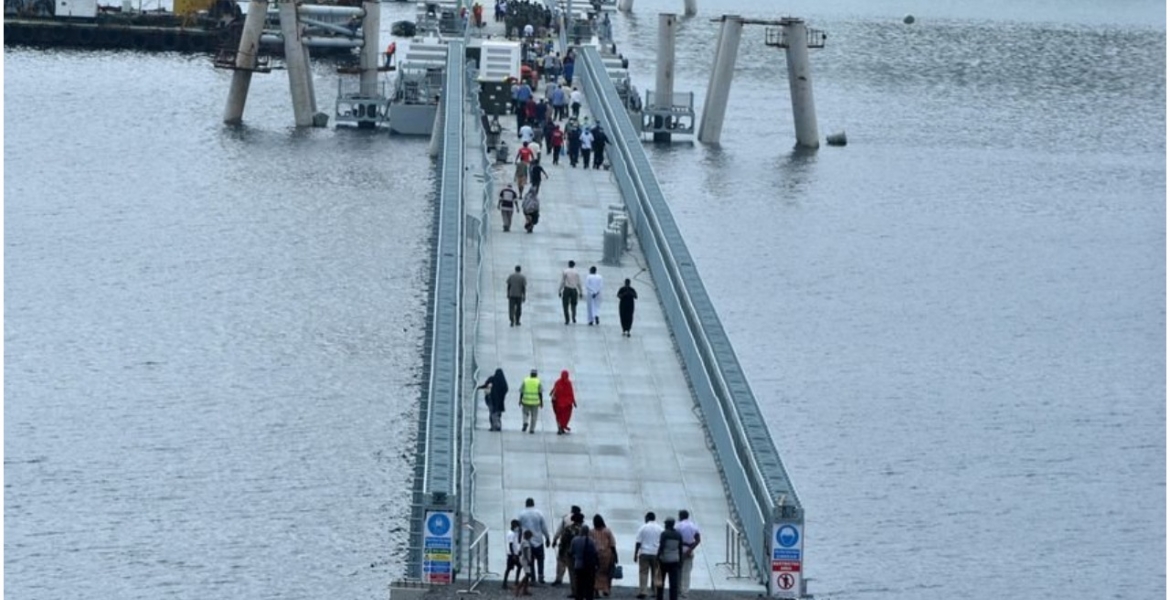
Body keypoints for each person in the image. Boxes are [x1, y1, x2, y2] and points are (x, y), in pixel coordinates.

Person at [518, 498, 552, 582]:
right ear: (533, 504)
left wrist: (519, 540)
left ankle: (532, 577)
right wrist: (547, 538)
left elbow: (519, 528)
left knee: (530, 559)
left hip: (527, 541)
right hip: (538, 540)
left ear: (526, 504)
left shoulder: (522, 514)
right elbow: (543, 527)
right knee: (540, 559)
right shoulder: (539, 513)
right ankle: (541, 576)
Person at [634, 512, 664, 599]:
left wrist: (635, 553)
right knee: (656, 572)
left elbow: (638, 542)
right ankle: (655, 592)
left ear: (647, 518)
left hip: (644, 553)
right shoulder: (660, 528)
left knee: (643, 572)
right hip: (656, 553)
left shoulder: (643, 528)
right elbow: (662, 542)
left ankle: (643, 591)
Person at [553, 508, 585, 590]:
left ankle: (559, 579)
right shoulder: (584, 529)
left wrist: (555, 540)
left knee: (561, 563)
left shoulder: (567, 524)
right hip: (579, 552)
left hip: (567, 549)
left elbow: (560, 532)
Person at [591, 514, 618, 597]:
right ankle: (606, 589)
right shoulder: (607, 531)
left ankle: (596, 590)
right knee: (607, 573)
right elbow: (612, 544)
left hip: (595, 555)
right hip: (607, 555)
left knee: (595, 573)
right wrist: (615, 556)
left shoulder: (591, 531)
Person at [656, 518, 683, 600]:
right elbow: (680, 549)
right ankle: (673, 598)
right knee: (673, 583)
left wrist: (657, 557)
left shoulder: (664, 534)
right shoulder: (678, 535)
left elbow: (662, 546)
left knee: (660, 581)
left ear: (667, 524)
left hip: (664, 560)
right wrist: (680, 561)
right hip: (675, 560)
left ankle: (660, 597)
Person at [676, 510, 701, 596]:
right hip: (689, 549)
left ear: (680, 516)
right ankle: (685, 591)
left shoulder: (678, 526)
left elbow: (675, 538)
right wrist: (690, 549)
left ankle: (678, 589)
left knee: (678, 571)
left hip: (679, 550)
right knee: (687, 572)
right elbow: (698, 540)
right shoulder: (693, 526)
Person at [570, 524, 599, 600]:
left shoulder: (574, 540)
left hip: (578, 565)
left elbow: (571, 552)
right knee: (589, 585)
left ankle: (579, 597)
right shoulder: (591, 541)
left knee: (579, 585)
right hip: (589, 566)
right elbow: (595, 553)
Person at [550, 370, 577, 434]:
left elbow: (554, 390)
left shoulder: (558, 382)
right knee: (565, 417)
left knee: (558, 416)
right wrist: (574, 401)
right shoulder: (569, 383)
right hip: (567, 405)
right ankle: (562, 427)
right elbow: (571, 393)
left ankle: (560, 427)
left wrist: (552, 395)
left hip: (558, 404)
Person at [518, 369, 543, 433]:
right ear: (536, 375)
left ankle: (525, 422)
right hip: (535, 402)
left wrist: (520, 400)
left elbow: (521, 391)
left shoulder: (525, 380)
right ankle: (532, 429)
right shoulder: (538, 381)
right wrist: (541, 402)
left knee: (524, 413)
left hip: (526, 401)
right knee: (534, 416)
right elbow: (540, 393)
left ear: (530, 374)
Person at [559, 260, 582, 324]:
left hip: (567, 289)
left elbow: (563, 282)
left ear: (568, 264)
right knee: (574, 305)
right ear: (574, 265)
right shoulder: (576, 272)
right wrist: (580, 291)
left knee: (565, 305)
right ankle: (573, 317)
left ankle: (567, 319)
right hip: (574, 289)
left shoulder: (565, 271)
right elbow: (578, 283)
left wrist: (560, 290)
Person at [504, 519, 523, 589]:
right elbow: (510, 544)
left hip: (515, 553)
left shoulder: (515, 533)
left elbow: (518, 540)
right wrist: (513, 554)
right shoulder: (511, 534)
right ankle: (507, 582)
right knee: (509, 568)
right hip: (512, 554)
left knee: (518, 567)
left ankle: (513, 581)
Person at [516, 529, 534, 596]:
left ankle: (525, 590)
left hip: (524, 559)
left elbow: (520, 551)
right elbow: (526, 552)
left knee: (528, 575)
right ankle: (519, 587)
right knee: (527, 575)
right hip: (525, 560)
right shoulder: (526, 542)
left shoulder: (523, 542)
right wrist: (529, 560)